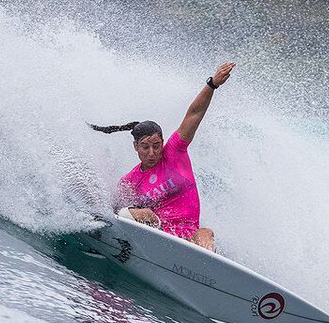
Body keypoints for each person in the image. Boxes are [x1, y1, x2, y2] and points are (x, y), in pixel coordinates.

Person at [90, 62, 234, 251]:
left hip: (189, 236)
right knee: (126, 213)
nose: (152, 152)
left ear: (163, 142)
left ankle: (206, 259)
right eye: (145, 147)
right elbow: (113, 211)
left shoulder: (175, 152)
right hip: (157, 235)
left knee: (205, 233)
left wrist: (212, 84)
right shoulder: (130, 181)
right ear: (135, 147)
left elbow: (194, 114)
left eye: (156, 146)